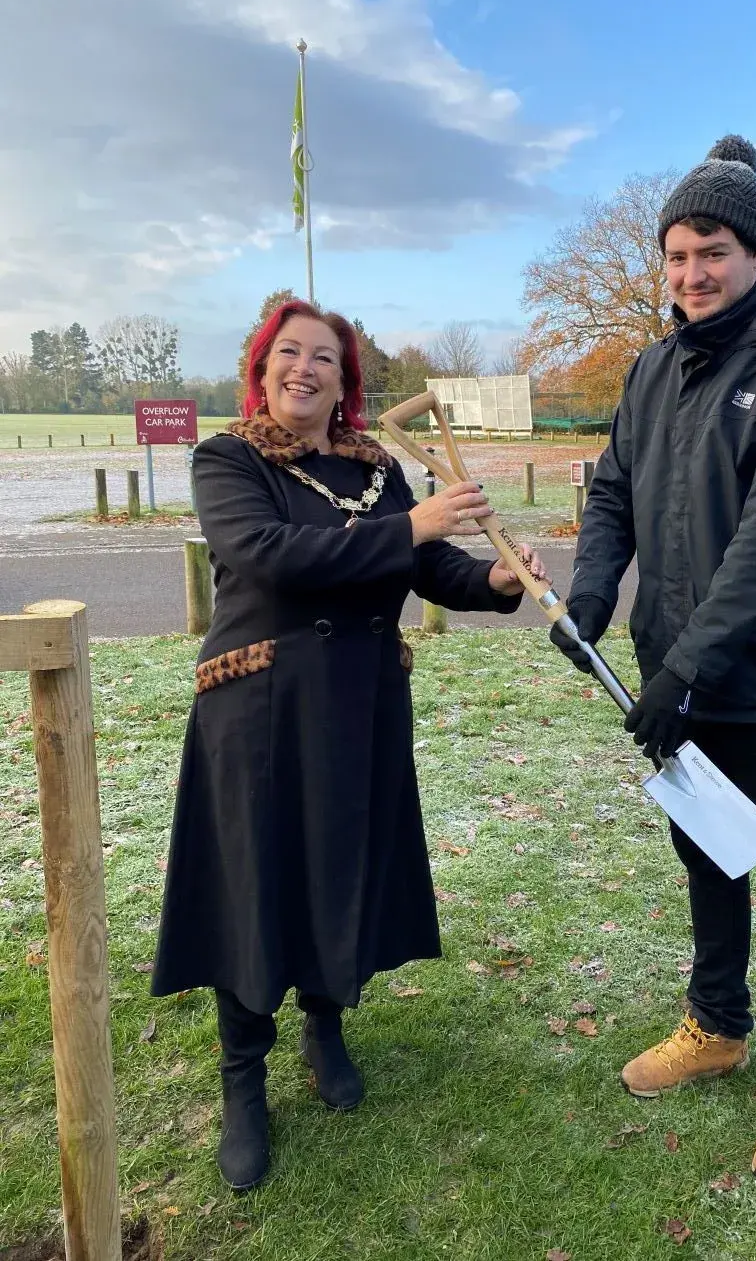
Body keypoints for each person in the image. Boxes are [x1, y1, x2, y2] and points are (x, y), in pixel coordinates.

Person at [152, 299, 546, 1191]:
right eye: (287, 352)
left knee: (339, 869)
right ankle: (242, 1078)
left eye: (323, 357)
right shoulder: (228, 461)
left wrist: (491, 575)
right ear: (262, 367)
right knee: (257, 883)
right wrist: (415, 526)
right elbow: (271, 555)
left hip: (358, 708)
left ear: (344, 378)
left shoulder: (374, 469)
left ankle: (325, 1026)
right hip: (258, 712)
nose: (304, 368)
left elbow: (424, 569)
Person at [551, 136, 756, 1188]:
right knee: (707, 857)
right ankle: (717, 1023)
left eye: (712, 250)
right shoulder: (651, 367)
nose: (692, 273)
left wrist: (684, 664)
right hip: (675, 674)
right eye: (677, 253)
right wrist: (594, 596)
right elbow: (611, 491)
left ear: (755, 253)